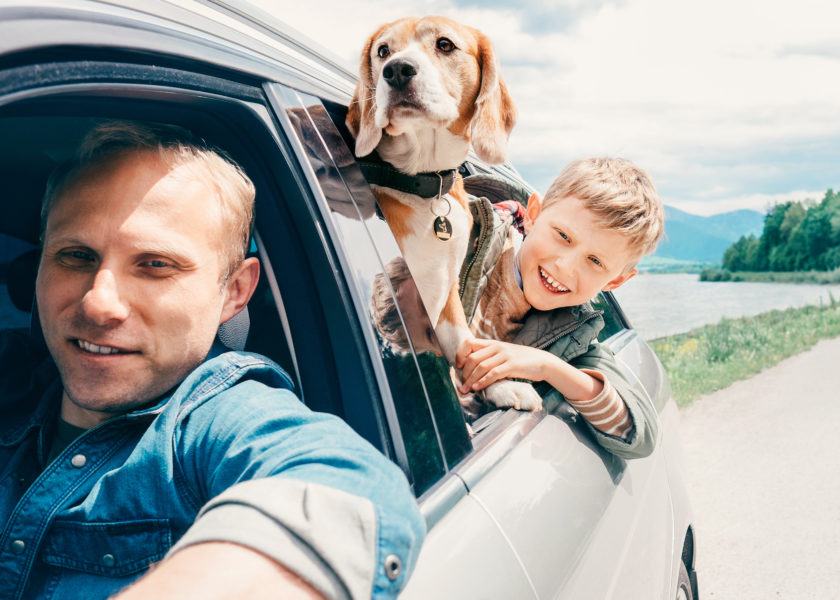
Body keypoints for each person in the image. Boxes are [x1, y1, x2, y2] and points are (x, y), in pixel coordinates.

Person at [0, 121, 424, 600]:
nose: (99, 305)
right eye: (76, 256)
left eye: (155, 265)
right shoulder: (15, 375)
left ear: (235, 291)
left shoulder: (217, 419)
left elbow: (350, 490)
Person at [455, 158, 665, 459]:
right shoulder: (460, 241)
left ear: (616, 280)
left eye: (595, 262)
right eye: (563, 236)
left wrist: (547, 366)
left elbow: (638, 435)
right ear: (534, 214)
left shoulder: (573, 338)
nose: (565, 266)